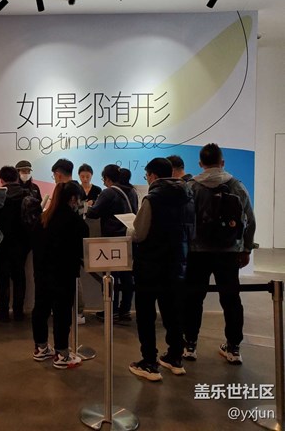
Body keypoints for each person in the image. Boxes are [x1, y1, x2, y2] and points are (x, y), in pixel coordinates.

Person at [183, 143, 256, 364]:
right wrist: (246, 249)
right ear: (222, 162)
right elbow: (250, 220)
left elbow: (185, 221)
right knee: (231, 300)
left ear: (200, 163)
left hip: (197, 253)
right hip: (228, 252)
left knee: (193, 299)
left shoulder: (191, 187)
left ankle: (190, 345)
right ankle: (233, 348)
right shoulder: (236, 186)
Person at [128, 158, 195, 381]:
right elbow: (192, 231)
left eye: (147, 175)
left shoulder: (152, 199)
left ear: (153, 176)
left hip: (150, 265)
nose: (147, 179)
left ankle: (149, 362)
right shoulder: (188, 196)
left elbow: (140, 234)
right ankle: (175, 358)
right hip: (177, 264)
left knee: (146, 314)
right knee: (172, 312)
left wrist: (130, 232)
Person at [31, 182, 89, 369]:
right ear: (73, 199)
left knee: (41, 309)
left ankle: (41, 348)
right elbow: (83, 249)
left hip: (41, 273)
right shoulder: (75, 222)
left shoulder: (43, 218)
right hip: (64, 274)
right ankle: (62, 354)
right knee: (62, 313)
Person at [86, 164, 138, 322]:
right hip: (128, 238)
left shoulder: (108, 192)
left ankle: (111, 310)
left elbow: (94, 213)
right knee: (127, 275)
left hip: (112, 239)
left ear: (107, 178)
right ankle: (125, 310)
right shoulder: (132, 191)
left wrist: (89, 206)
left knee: (110, 276)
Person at [0, 166, 30, 322]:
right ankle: (19, 311)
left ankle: (3, 311)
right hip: (22, 243)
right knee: (19, 277)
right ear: (17, 178)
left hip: (1, 243)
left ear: (1, 180)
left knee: (2, 278)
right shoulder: (26, 194)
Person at [51, 158, 87, 324]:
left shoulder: (67, 190)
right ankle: (76, 310)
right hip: (75, 239)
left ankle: (77, 311)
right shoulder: (78, 189)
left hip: (67, 241)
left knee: (72, 278)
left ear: (58, 174)